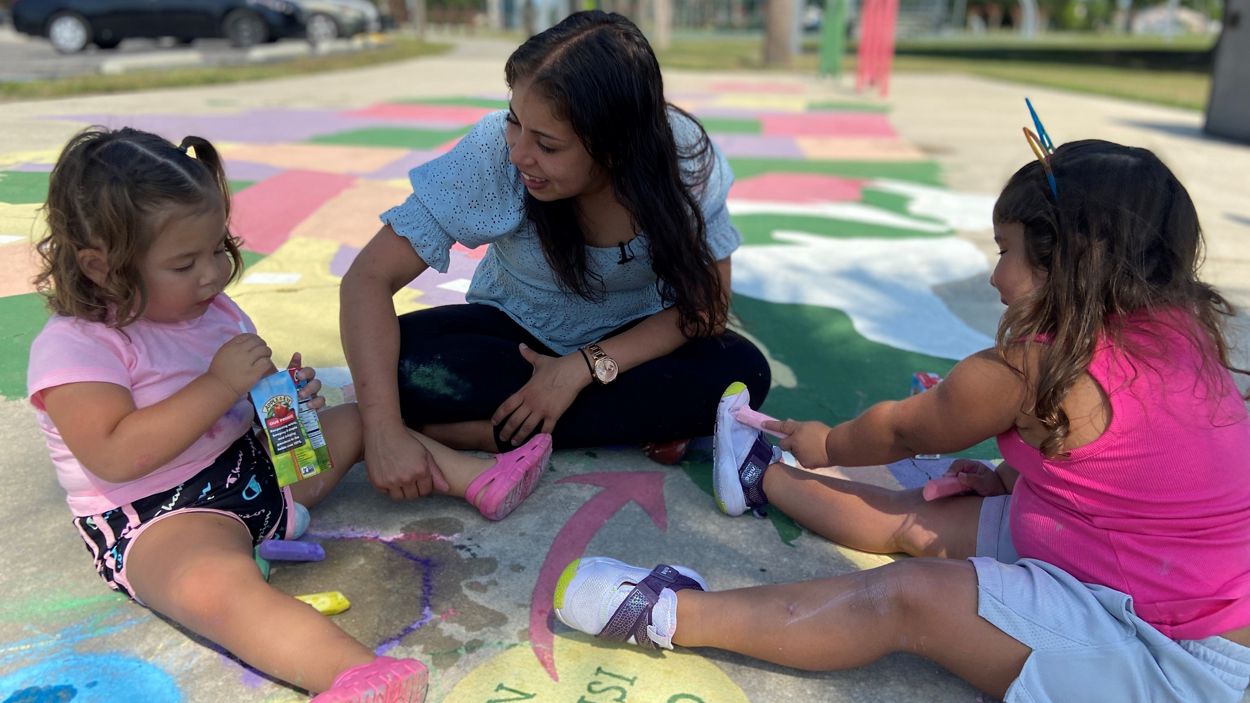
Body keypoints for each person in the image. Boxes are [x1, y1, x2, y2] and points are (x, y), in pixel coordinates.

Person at [551, 139, 1250, 702]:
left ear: (1067, 263)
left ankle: (669, 614)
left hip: (1168, 658)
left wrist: (826, 442)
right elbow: (1143, 467)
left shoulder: (1028, 371)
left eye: (1004, 250)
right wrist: (1018, 476)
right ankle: (762, 476)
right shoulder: (1180, 329)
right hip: (1119, 563)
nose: (993, 275)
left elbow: (903, 430)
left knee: (905, 597)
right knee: (926, 517)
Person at [28, 127, 554, 702]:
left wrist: (283, 404)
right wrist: (219, 384)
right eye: (184, 264)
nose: (212, 274)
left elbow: (241, 406)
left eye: (218, 249)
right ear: (101, 267)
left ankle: (479, 477)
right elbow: (115, 454)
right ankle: (351, 674)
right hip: (161, 515)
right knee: (218, 588)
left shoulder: (214, 310)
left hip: (253, 471)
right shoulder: (77, 347)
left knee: (361, 421)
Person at [339, 10, 771, 501]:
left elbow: (706, 307)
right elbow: (367, 278)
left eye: (547, 145)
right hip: (516, 333)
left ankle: (481, 435)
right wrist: (382, 430)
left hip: (634, 345)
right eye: (514, 121)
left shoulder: (683, 162)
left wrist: (578, 370)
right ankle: (633, 422)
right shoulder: (493, 153)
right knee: (404, 366)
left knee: (742, 373)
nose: (519, 154)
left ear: (615, 148)